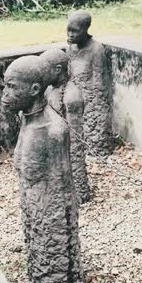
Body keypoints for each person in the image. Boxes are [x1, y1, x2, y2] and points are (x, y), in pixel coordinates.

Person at [1, 55, 83, 283]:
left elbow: (63, 197)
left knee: (51, 262)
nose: (5, 94)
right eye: (5, 85)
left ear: (34, 89)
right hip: (34, 213)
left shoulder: (53, 130)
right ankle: (41, 276)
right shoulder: (27, 118)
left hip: (49, 219)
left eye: (11, 87)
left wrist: (54, 252)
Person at [42, 48, 92, 203]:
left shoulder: (71, 96)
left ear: (57, 70)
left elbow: (76, 142)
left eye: (44, 70)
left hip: (67, 145)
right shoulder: (49, 90)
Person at [67, 10, 113, 156]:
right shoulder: (70, 48)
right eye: (68, 30)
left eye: (75, 31)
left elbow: (99, 85)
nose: (70, 35)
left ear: (85, 29)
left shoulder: (96, 50)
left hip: (90, 101)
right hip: (73, 98)